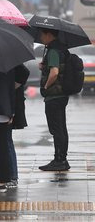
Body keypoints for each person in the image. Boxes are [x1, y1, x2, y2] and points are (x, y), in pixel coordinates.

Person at [38, 28, 71, 171]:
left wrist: (45, 87)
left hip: (54, 96)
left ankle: (59, 161)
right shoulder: (61, 49)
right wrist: (43, 66)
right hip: (62, 95)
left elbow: (54, 73)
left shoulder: (53, 51)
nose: (40, 37)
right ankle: (62, 159)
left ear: (49, 35)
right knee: (61, 128)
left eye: (42, 34)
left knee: (56, 129)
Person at [7, 64, 30, 187]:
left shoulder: (11, 60)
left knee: (6, 141)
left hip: (9, 107)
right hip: (5, 106)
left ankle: (12, 175)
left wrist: (13, 86)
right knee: (3, 142)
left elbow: (24, 72)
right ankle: (7, 173)